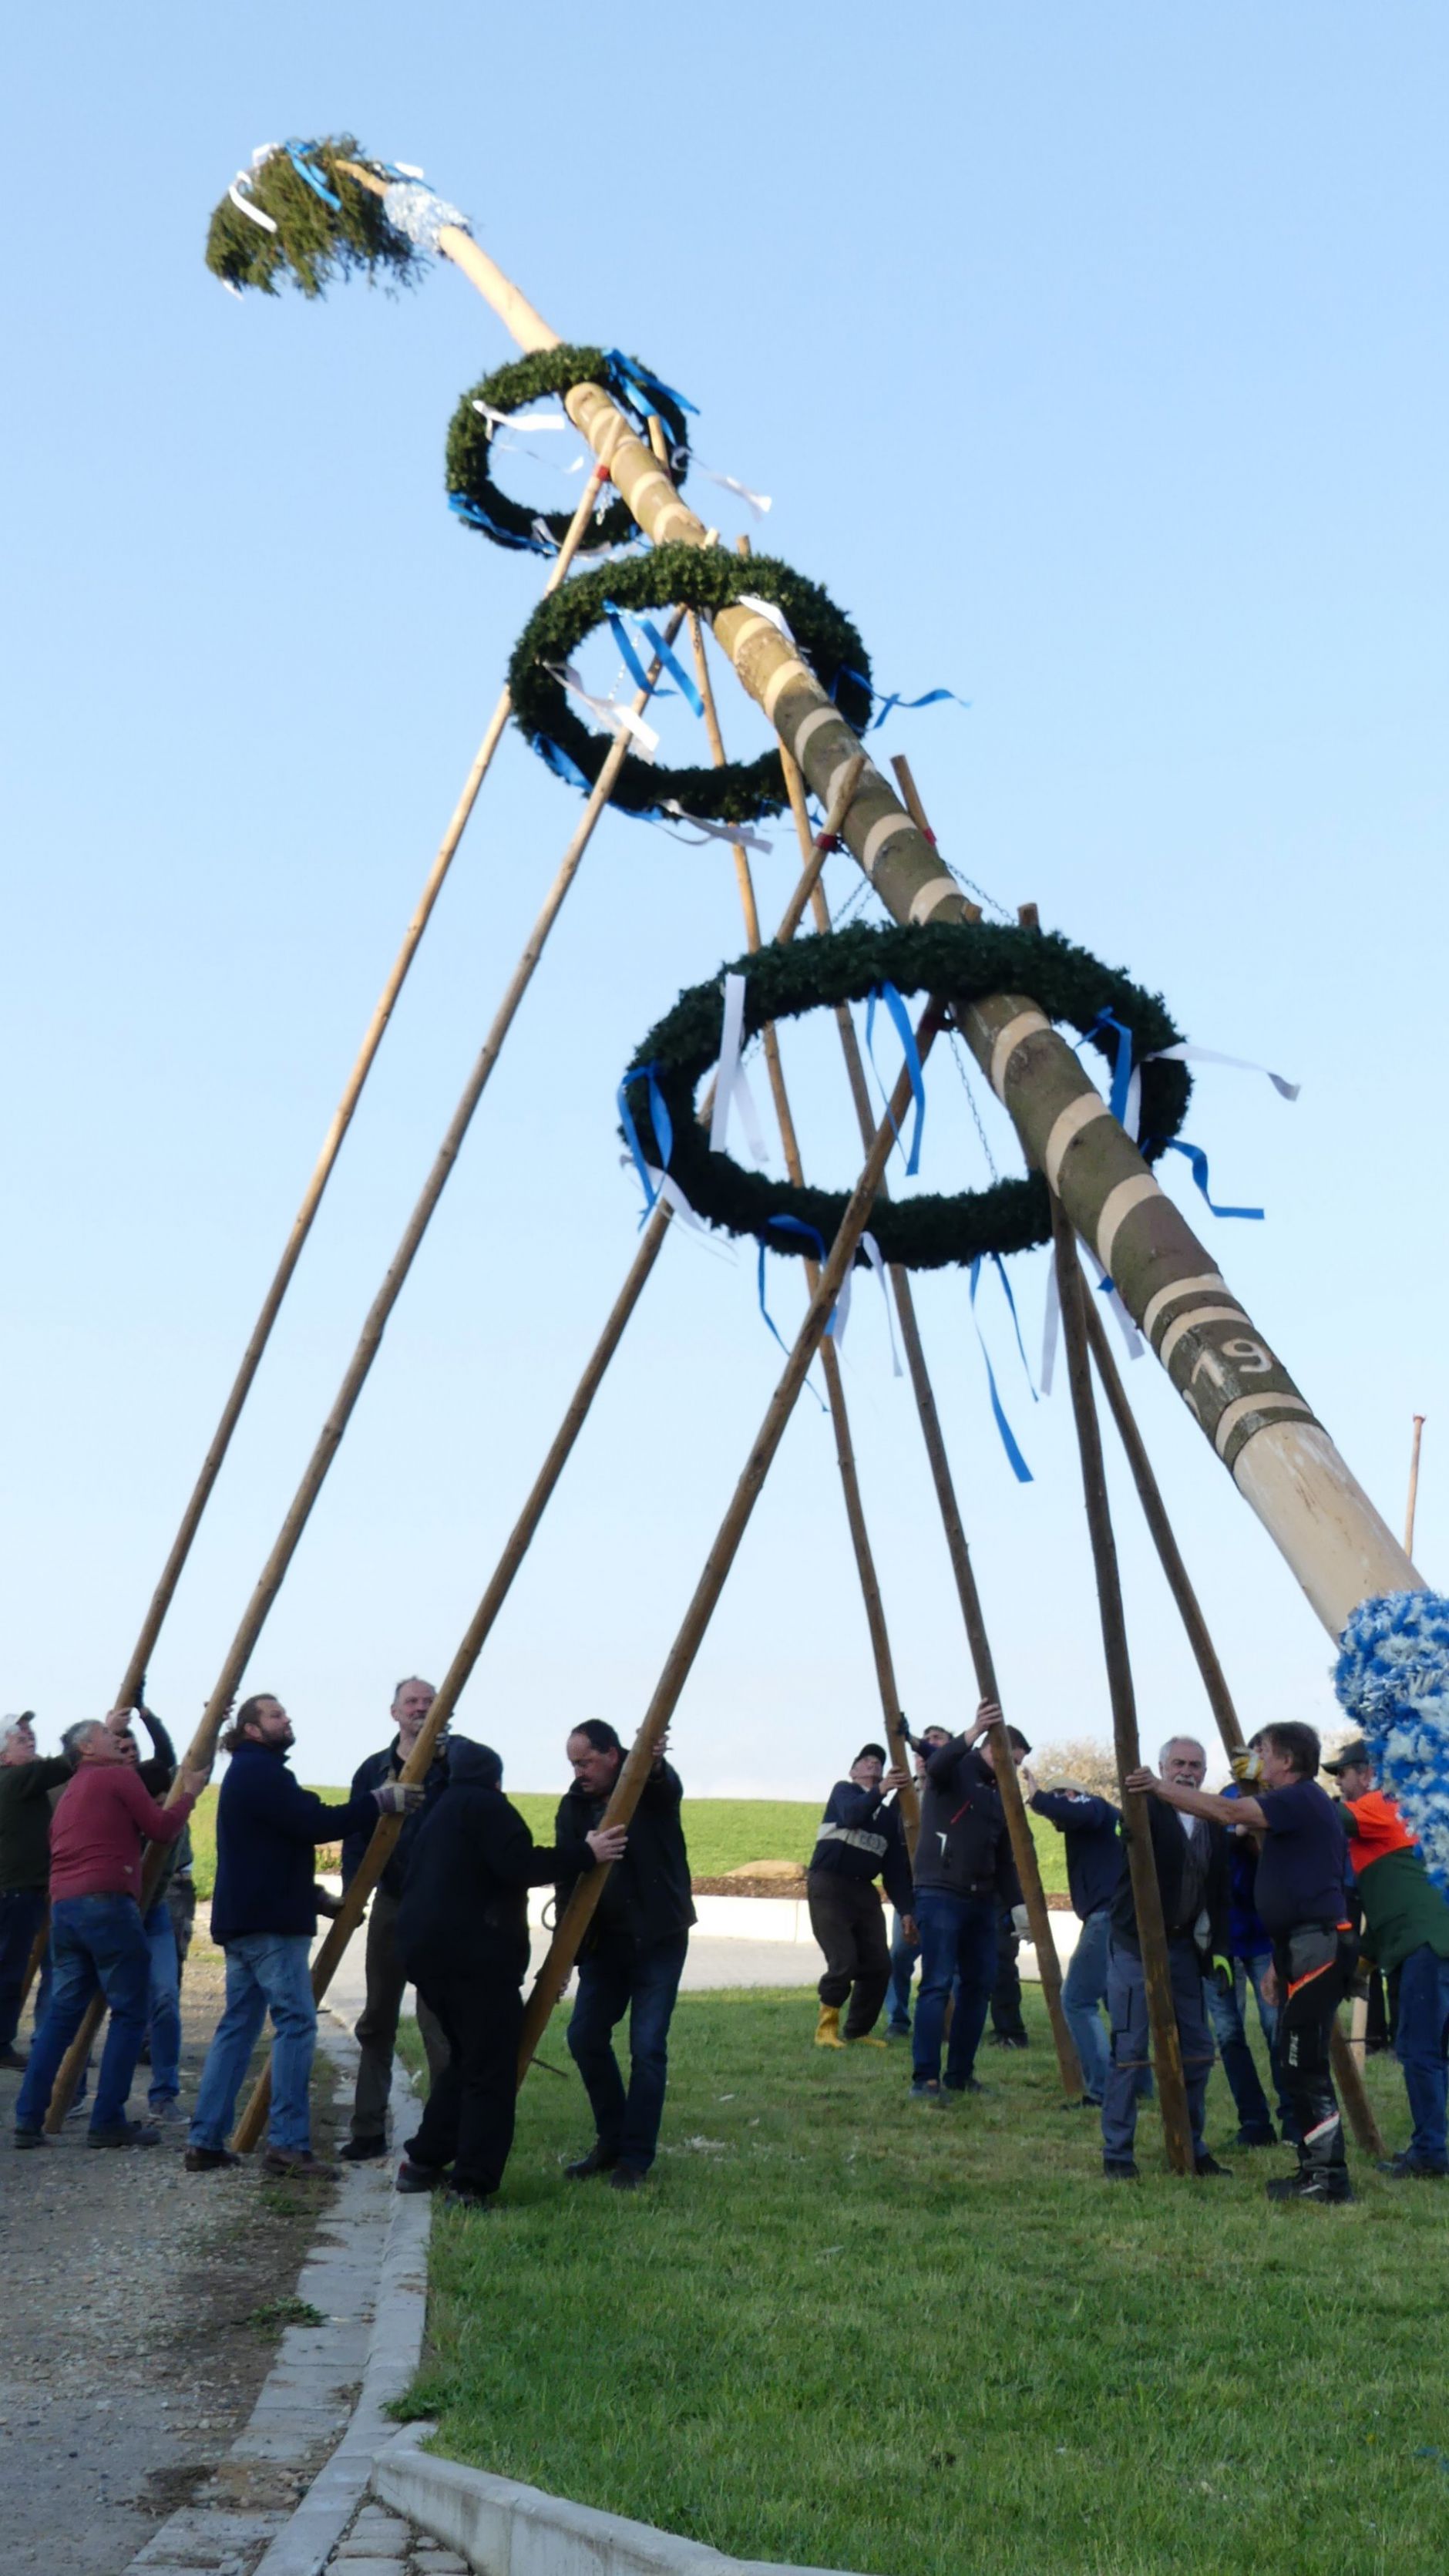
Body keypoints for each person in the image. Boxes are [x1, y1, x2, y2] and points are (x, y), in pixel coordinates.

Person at [186, 1693, 421, 2181]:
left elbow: (269, 1850)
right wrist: (379, 1801)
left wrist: (314, 1897)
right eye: (275, 1714)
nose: (286, 1719)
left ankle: (205, 2140)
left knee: (238, 2029)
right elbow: (313, 1825)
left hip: (247, 1920)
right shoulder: (262, 1773)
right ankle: (288, 2146)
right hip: (271, 1926)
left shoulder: (252, 1774)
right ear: (252, 1729)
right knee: (295, 2025)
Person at [394, 1739, 625, 2209]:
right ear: (496, 1779)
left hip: (427, 1958)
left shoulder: (440, 1811)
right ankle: (472, 2183)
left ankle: (422, 2161)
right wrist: (586, 1852)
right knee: (490, 2073)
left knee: (465, 2061)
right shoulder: (489, 1808)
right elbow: (519, 1865)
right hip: (475, 1962)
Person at [1130, 1722, 1351, 2203]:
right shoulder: (1295, 1806)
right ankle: (1316, 2171)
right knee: (1297, 2064)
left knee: (1302, 2064)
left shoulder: (1297, 1798)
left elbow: (1227, 1809)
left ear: (1286, 1762)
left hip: (1318, 1944)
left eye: (1263, 1753)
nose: (1254, 1761)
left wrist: (1158, 1787)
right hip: (1299, 1946)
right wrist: (1278, 1961)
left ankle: (1328, 2179)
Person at [14, 1710, 207, 2148]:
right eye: (106, 1735)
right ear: (86, 1748)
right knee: (129, 2012)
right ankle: (108, 2120)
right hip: (108, 1902)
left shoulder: (71, 1792)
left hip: (65, 1906)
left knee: (62, 2017)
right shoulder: (116, 1777)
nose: (116, 1741)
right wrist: (189, 1795)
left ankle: (27, 2118)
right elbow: (160, 1830)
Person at [555, 1720, 694, 2191]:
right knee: (584, 2036)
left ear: (613, 1754)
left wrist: (653, 1761)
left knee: (647, 2048)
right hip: (604, 1944)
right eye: (573, 1763)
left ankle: (635, 2159)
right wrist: (564, 1959)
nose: (579, 1772)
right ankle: (611, 2140)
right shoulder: (573, 1807)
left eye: (585, 1761)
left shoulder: (646, 1790)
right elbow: (566, 1881)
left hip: (659, 1939)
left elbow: (665, 1785)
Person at [1103, 1737, 1231, 2181]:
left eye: (1196, 1765)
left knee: (1197, 2050)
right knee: (1131, 2049)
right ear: (1162, 1766)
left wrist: (1216, 1952)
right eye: (1178, 1763)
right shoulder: (1144, 1809)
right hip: (1134, 1944)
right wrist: (1142, 1790)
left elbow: (1218, 1892)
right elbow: (1128, 1833)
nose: (1187, 1771)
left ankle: (1190, 2145)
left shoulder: (1212, 1819)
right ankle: (1118, 2154)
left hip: (1182, 1949)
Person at [338, 1676, 452, 2161]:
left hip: (442, 1908)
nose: (421, 1709)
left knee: (439, 2022)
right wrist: (352, 1897)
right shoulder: (373, 1769)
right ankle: (367, 2131)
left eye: (430, 1702)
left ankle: (443, 2134)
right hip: (390, 1902)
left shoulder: (459, 1765)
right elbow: (354, 1833)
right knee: (378, 2019)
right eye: (412, 1702)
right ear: (395, 1712)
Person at [1326, 1737, 1449, 2180]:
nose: (1339, 1781)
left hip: (1425, 1947)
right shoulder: (1392, 1824)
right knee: (1434, 2053)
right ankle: (1432, 2145)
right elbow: (1386, 1913)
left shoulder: (1380, 1803)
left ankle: (1432, 2153)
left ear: (1370, 1774)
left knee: (1419, 2052)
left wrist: (1270, 1790)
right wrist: (1362, 1965)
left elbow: (1326, 1817)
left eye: (1344, 1772)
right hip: (1425, 1944)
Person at [910, 1699, 1027, 2102]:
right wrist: (974, 1729)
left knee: (979, 1987)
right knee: (938, 1984)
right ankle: (925, 2079)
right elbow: (938, 1764)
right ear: (991, 1749)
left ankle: (960, 2074)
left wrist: (1018, 1906)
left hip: (982, 1901)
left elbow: (1006, 1855)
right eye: (1009, 1759)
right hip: (940, 1891)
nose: (1013, 1769)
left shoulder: (1001, 1794)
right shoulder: (955, 1767)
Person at [1205, 1780, 1296, 2151]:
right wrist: (1237, 1830)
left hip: (1263, 1937)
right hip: (1219, 1940)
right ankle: (1254, 2123)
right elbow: (1214, 1845)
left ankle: (1292, 2119)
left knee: (1277, 2028)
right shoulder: (1224, 1798)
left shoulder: (1278, 1802)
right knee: (1228, 2034)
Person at [806, 1743, 914, 2048]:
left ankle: (858, 2031)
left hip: (863, 1891)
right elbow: (853, 1815)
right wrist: (881, 1789)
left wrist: (906, 1910)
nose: (873, 1765)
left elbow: (893, 1870)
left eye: (878, 1762)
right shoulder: (844, 1792)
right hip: (829, 1885)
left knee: (879, 1964)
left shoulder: (889, 1820)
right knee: (843, 1960)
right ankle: (826, 2030)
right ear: (853, 1771)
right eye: (865, 1761)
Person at [1027, 1771, 1121, 2107]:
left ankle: (1102, 2090)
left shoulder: (1089, 1806)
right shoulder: (1094, 1823)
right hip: (1116, 1915)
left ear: (1069, 1795)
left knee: (1077, 2000)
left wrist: (1039, 1798)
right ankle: (1137, 2084)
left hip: (1106, 1916)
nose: (1054, 1821)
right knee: (1120, 2005)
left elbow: (1077, 1810)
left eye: (1056, 1806)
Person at [0, 1713, 73, 2071]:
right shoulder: (16, 1778)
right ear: (3, 1756)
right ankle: (0, 2045)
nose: (29, 1738)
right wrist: (94, 1739)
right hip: (15, 1892)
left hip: (19, 1891)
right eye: (19, 1737)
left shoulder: (18, 1779)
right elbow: (61, 1766)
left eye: (30, 1734)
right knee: (10, 1971)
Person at [886, 1727, 951, 2038]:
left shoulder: (953, 1790)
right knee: (899, 1954)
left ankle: (947, 2023)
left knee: (946, 1962)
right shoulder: (902, 1796)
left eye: (937, 1740)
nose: (925, 1753)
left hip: (947, 1889)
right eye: (923, 1746)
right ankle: (897, 2020)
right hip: (910, 1890)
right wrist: (903, 1904)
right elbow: (890, 1852)